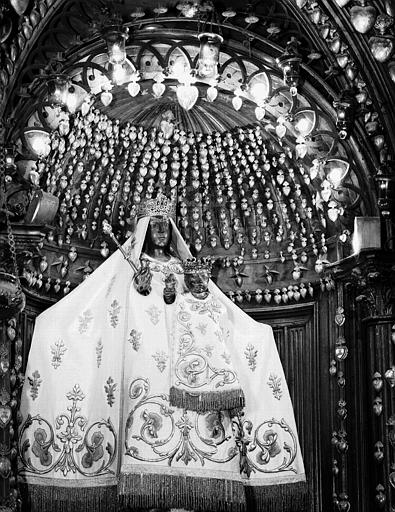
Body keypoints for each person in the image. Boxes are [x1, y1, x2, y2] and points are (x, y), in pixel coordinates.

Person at [18, 192, 306, 512]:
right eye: (154, 225)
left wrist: (205, 296)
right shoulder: (130, 267)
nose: (160, 231)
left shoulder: (184, 267)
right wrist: (138, 285)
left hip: (186, 367)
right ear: (144, 228)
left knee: (250, 343)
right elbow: (109, 304)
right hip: (143, 357)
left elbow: (207, 305)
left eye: (165, 225)